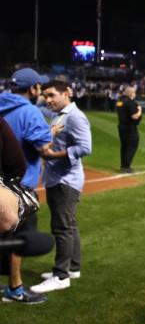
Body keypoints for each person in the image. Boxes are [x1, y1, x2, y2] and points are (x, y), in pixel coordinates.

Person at [31, 80, 92, 294]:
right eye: (45, 96)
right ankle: (73, 268)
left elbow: (85, 147)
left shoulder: (74, 116)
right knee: (69, 225)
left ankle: (61, 275)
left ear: (66, 93)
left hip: (66, 180)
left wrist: (52, 155)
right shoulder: (60, 113)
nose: (47, 100)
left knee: (62, 227)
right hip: (59, 178)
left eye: (51, 95)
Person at [0, 67, 55, 304]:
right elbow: (44, 148)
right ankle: (15, 288)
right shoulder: (30, 111)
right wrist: (49, 132)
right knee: (17, 239)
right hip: (19, 188)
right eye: (38, 86)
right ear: (32, 88)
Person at [116, 86, 142, 173]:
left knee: (124, 146)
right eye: (134, 92)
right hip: (130, 127)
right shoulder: (130, 102)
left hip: (121, 126)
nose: (135, 94)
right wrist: (139, 111)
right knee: (132, 145)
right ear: (131, 93)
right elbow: (134, 116)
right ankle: (126, 166)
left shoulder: (120, 101)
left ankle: (123, 165)